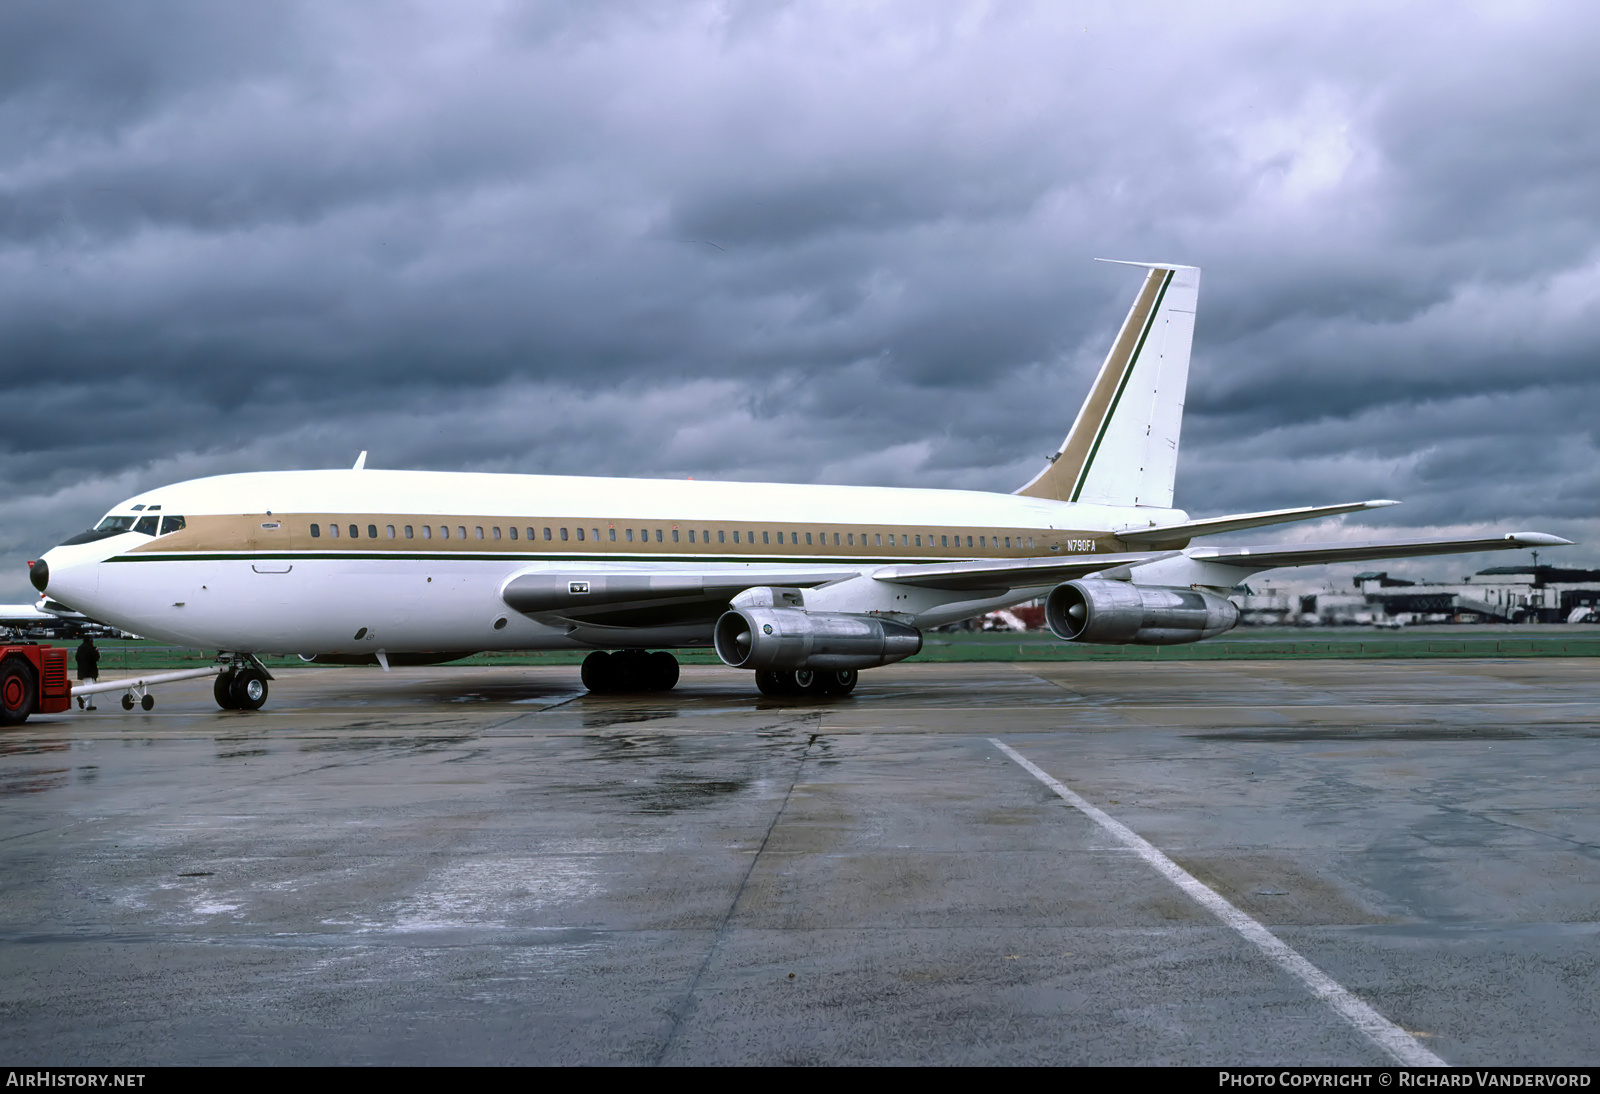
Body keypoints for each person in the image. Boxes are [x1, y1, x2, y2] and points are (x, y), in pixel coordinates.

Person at [75, 636, 100, 710]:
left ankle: (89, 705)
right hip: (90, 671)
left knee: (88, 687)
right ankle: (82, 698)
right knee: (92, 688)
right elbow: (96, 657)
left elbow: (77, 658)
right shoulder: (91, 648)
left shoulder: (80, 648)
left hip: (82, 671)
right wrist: (96, 651)